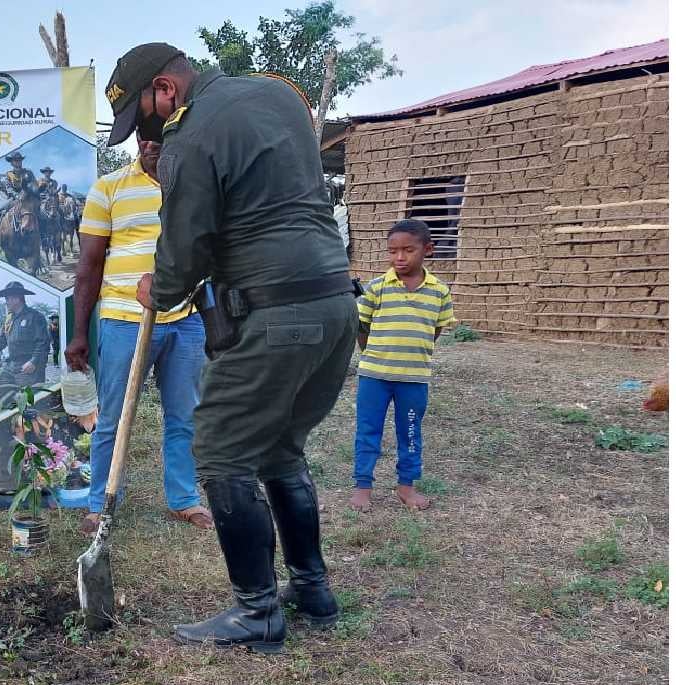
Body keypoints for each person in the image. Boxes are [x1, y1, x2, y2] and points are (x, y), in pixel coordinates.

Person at [110, 43, 356, 652]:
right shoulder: (279, 94)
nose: (150, 133)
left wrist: (157, 288)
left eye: (145, 118)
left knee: (220, 451)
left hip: (275, 314)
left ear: (166, 89)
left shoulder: (193, 135)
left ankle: (257, 614)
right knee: (276, 449)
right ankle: (312, 590)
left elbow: (186, 246)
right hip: (333, 304)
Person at [67, 137, 211, 534]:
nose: (152, 143)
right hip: (124, 320)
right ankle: (102, 503)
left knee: (183, 414)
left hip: (186, 318)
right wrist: (80, 333)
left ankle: (184, 499)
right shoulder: (109, 188)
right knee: (113, 417)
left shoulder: (196, 186)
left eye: (160, 134)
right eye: (143, 134)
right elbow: (89, 265)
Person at [351, 219, 456, 512]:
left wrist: (414, 352)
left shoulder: (439, 291)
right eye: (393, 251)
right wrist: (372, 355)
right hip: (374, 376)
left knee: (410, 432)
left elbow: (436, 329)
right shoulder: (376, 288)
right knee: (367, 430)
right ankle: (362, 486)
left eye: (408, 250)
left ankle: (406, 486)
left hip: (413, 378)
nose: (399, 257)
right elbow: (362, 327)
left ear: (428, 249)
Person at [0, 281, 51, 406]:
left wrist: (34, 361)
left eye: (7, 299)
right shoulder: (9, 320)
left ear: (17, 298)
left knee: (29, 402)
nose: (6, 302)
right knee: (4, 396)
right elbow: (0, 342)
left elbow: (43, 342)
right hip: (11, 365)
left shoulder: (35, 317)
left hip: (29, 366)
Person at [0, 151, 38, 242]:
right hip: (15, 199)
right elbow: (8, 187)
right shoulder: (8, 174)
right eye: (15, 160)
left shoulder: (29, 173)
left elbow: (35, 185)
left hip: (29, 198)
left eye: (19, 160)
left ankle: (44, 237)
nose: (18, 162)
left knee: (41, 214)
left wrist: (31, 191)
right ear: (11, 162)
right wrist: (17, 195)